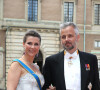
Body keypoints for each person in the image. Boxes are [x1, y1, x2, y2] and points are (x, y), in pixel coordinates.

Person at [42, 22, 100, 90]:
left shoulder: (91, 59)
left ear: (77, 37)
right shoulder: (50, 61)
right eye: (63, 37)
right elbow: (45, 86)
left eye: (70, 36)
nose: (66, 39)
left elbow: (96, 85)